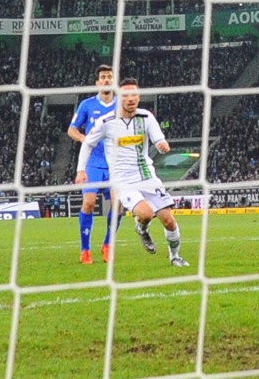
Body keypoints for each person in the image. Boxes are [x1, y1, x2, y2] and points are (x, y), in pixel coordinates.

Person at [76, 78, 188, 267]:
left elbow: (158, 140)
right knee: (145, 213)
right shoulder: (107, 121)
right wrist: (80, 170)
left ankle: (175, 256)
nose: (131, 99)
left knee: (168, 220)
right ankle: (142, 228)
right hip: (123, 180)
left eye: (134, 95)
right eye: (126, 95)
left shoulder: (146, 117)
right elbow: (87, 144)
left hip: (147, 176)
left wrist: (162, 146)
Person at [68, 64, 120, 264]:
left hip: (115, 163)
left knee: (118, 205)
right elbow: (71, 129)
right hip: (93, 163)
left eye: (109, 76)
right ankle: (85, 250)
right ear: (98, 82)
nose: (106, 80)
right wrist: (84, 140)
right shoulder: (87, 105)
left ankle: (107, 245)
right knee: (89, 203)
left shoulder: (121, 105)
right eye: (103, 77)